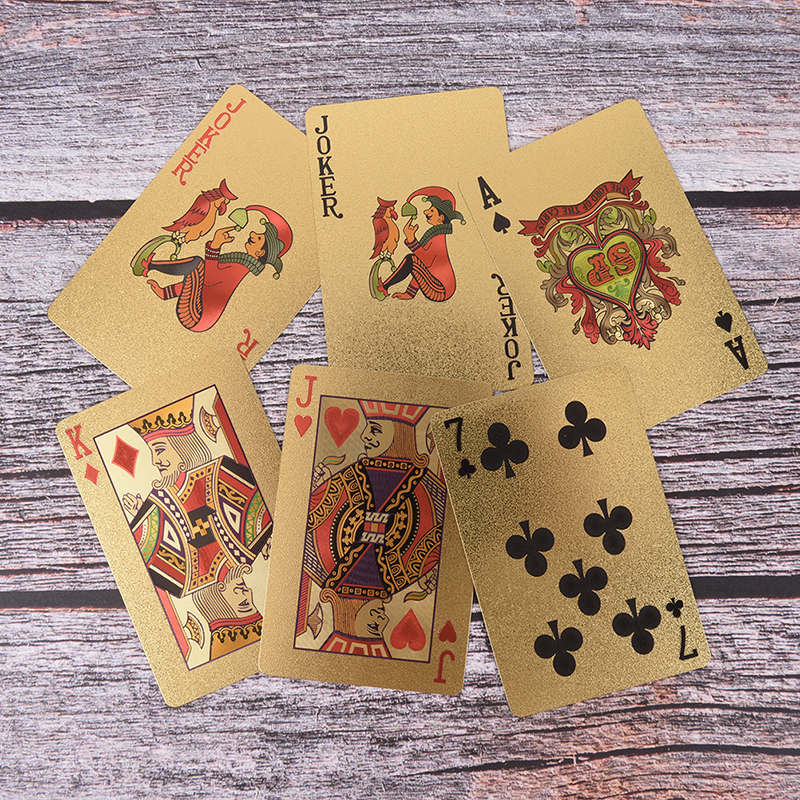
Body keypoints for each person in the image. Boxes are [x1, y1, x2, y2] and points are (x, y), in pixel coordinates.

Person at [300, 401, 444, 657]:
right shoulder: (348, 479)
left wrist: (436, 565)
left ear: (399, 433)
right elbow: (306, 524)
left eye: (375, 429)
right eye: (368, 429)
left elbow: (440, 535)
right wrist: (313, 494)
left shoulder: (429, 490)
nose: (365, 436)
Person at [123, 395, 272, 601]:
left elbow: (264, 513)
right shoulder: (159, 503)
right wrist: (144, 518)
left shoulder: (223, 474)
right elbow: (146, 563)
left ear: (183, 447)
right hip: (210, 599)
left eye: (160, 450)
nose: (155, 461)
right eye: (153, 453)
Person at [140, 205, 292, 332]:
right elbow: (198, 284)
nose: (252, 233)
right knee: (198, 267)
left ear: (260, 253)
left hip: (196, 317)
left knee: (197, 263)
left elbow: (208, 280)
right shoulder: (241, 262)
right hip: (196, 314)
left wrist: (215, 245)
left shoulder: (240, 268)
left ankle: (149, 265)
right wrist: (165, 293)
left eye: (259, 238)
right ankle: (150, 267)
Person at [378, 187, 465, 302]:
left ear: (441, 218)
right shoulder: (434, 234)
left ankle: (384, 287)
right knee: (414, 260)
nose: (426, 212)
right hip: (437, 285)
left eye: (432, 211)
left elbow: (425, 262)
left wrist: (412, 239)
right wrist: (410, 293)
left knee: (411, 259)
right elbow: (422, 268)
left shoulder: (438, 237)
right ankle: (386, 287)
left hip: (440, 289)